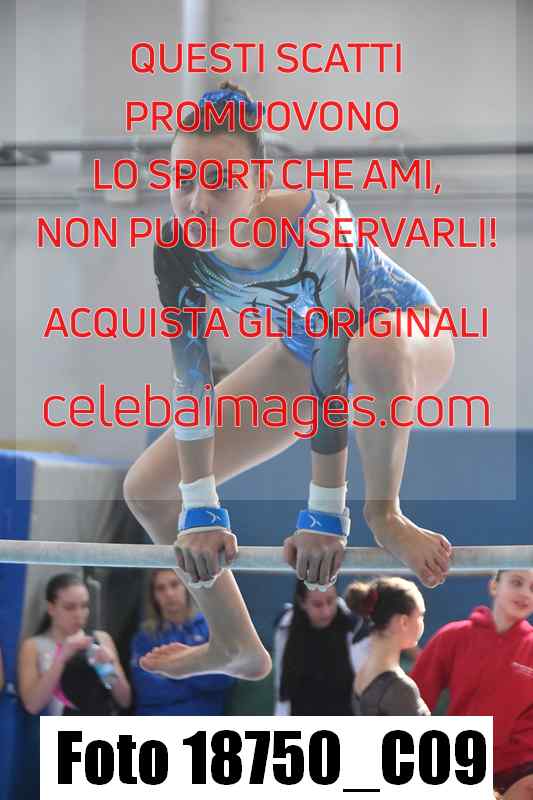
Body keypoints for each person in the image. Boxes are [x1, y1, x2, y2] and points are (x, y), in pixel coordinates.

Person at [123, 80, 455, 682]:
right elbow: (192, 380)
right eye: (182, 181)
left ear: (259, 181)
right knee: (149, 490)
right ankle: (234, 645)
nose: (196, 203)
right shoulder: (176, 249)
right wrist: (200, 509)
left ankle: (386, 512)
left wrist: (326, 515)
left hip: (405, 335)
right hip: (303, 349)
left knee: (371, 346)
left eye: (219, 183)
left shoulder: (316, 227)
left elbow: (335, 373)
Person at [410, 570, 533, 799]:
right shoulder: (454, 636)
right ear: (494, 586)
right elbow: (414, 698)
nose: (525, 593)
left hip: (520, 770)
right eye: (517, 582)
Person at [18, 572, 131, 715]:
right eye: (69, 607)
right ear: (51, 608)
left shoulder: (100, 639)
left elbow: (124, 700)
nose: (78, 614)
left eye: (84, 606)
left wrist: (110, 666)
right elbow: (32, 706)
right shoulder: (34, 646)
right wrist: (61, 659)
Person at [131, 569, 235, 714]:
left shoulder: (211, 629)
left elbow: (223, 678)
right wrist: (196, 667)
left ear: (187, 587)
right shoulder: (144, 637)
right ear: (153, 596)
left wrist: (171, 670)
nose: (169, 593)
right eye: (160, 588)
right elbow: (146, 688)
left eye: (174, 584)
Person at [273, 580, 370, 715]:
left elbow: (364, 689)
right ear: (302, 602)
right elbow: (282, 685)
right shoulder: (285, 627)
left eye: (330, 601)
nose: (326, 612)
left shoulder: (354, 626)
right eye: (317, 604)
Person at [345, 577, 429, 715]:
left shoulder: (362, 675)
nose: (422, 622)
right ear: (403, 622)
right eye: (421, 616)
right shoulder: (401, 689)